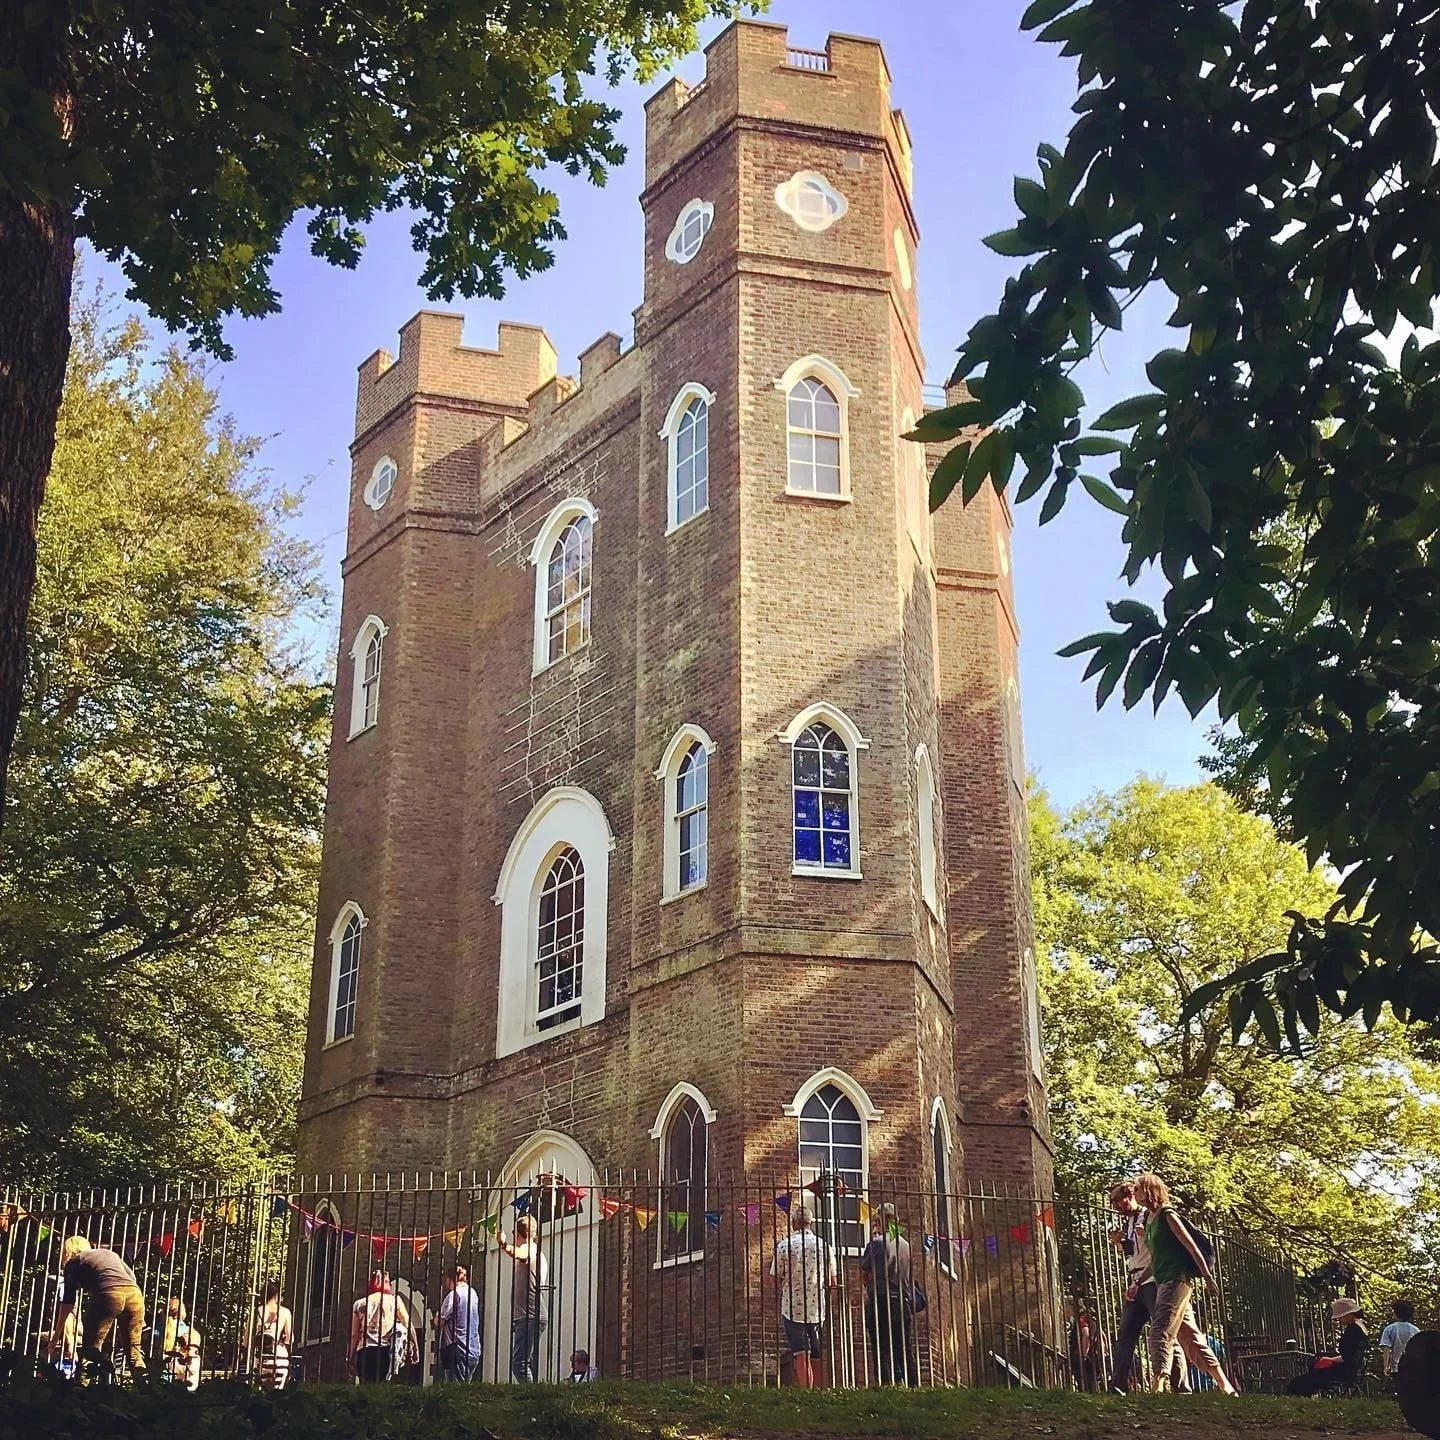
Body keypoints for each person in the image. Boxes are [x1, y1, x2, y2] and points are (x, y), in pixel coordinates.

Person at [1132, 1173, 1238, 1396]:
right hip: (1163, 1280)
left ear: (1150, 1190)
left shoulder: (1167, 1215)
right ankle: (1225, 1385)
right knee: (1190, 1336)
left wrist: (1208, 1277)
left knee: (1161, 1329)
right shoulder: (1148, 1220)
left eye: (1138, 1189)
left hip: (1176, 1280)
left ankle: (1158, 1383)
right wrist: (1138, 1282)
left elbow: (1191, 1247)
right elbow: (1155, 1260)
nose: (1134, 1193)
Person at [1106, 1180, 1188, 1394]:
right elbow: (1134, 1252)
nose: (1115, 1205)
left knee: (1164, 1333)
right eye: (1112, 1202)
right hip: (1135, 1281)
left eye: (1117, 1199)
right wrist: (1120, 1243)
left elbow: (1157, 1249)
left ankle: (1180, 1386)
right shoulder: (1127, 1223)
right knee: (1125, 1335)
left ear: (1131, 1195)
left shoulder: (1148, 1217)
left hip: (1153, 1280)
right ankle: (1117, 1386)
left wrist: (1145, 1236)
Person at [49, 1235, 147, 1380]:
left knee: (90, 1349)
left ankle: (81, 1387)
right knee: (134, 1350)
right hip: (135, 1295)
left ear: (68, 1251)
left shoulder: (74, 1262)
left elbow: (67, 1304)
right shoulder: (109, 1253)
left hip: (108, 1294)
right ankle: (146, 1387)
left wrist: (56, 1336)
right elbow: (132, 1277)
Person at [769, 1204, 836, 1390]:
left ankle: (806, 1390)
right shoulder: (824, 1246)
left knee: (800, 1352)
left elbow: (774, 1277)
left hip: (793, 1306)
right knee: (816, 1352)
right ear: (811, 1223)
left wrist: (782, 1291)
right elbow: (833, 1280)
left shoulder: (784, 1246)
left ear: (793, 1223)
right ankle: (819, 1391)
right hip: (817, 1307)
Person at [860, 1203, 917, 1386]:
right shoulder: (906, 1245)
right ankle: (912, 1383)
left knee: (880, 1345)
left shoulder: (876, 1243)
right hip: (902, 1299)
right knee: (904, 1347)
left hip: (881, 1298)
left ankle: (885, 1382)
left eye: (877, 1219)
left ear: (882, 1219)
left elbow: (865, 1270)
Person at [497, 1217, 547, 1383]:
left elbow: (518, 1253)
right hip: (528, 1315)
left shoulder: (529, 1249)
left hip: (529, 1315)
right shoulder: (536, 1251)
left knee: (519, 1364)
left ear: (518, 1234)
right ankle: (532, 1391)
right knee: (527, 1362)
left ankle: (531, 1394)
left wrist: (504, 1244)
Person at [1288, 1297, 1368, 1396]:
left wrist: (1331, 1360)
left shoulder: (1353, 1330)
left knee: (1299, 1381)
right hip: (1350, 1369)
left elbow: (1348, 1356)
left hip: (1344, 1371)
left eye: (1340, 1317)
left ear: (1348, 1314)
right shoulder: (1360, 1328)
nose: (1339, 1320)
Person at [349, 1270, 412, 1382]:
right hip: (385, 1350)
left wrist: (349, 1356)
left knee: (367, 1386)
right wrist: (415, 1346)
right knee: (382, 1386)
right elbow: (408, 1324)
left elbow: (355, 1335)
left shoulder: (359, 1304)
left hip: (365, 1351)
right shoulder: (394, 1300)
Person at [435, 1264, 480, 1382]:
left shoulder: (454, 1294)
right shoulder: (473, 1293)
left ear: (451, 1279)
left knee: (455, 1388)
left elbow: (439, 1321)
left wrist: (436, 1317)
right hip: (473, 1349)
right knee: (465, 1386)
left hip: (457, 1350)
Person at [254, 1280, 293, 1391]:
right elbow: (290, 1339)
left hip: (261, 1358)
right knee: (278, 1392)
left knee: (264, 1391)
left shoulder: (256, 1311)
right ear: (276, 1295)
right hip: (279, 1356)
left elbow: (247, 1341)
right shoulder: (285, 1312)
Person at [162, 1297, 202, 1389]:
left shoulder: (155, 1331)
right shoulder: (192, 1333)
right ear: (183, 1312)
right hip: (186, 1377)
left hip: (163, 1376)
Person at [1381, 1299, 1419, 1380]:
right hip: (1412, 1367)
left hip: (1395, 1368)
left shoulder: (1389, 1329)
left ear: (1395, 1313)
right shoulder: (1415, 1330)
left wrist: (1386, 1367)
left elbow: (1386, 1349)